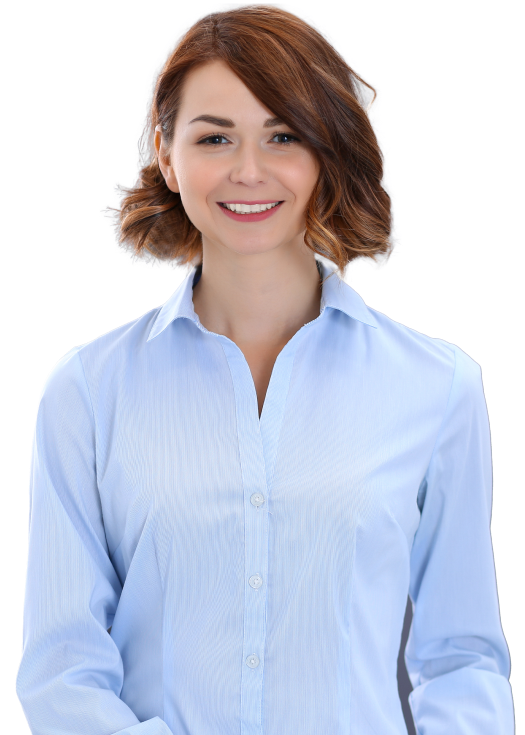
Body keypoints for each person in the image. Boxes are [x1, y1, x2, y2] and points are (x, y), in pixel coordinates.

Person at [15, 4, 515, 735]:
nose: (248, 171)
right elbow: (62, 669)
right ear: (165, 151)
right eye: (214, 137)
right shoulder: (87, 393)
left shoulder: (436, 386)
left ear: (327, 152)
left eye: (283, 135)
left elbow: (462, 659)